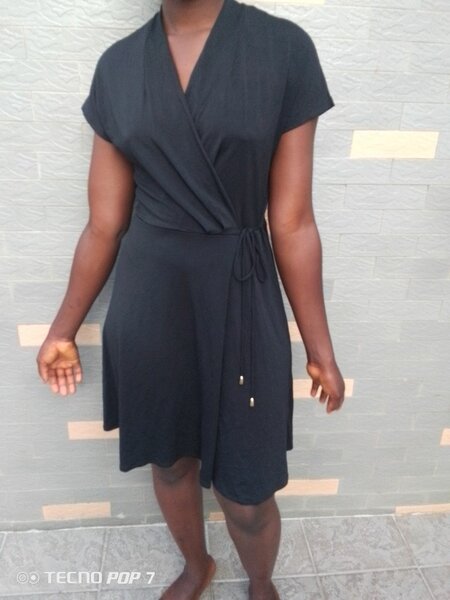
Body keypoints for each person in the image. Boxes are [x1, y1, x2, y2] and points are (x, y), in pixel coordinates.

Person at [36, 0, 345, 598]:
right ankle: (196, 565)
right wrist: (61, 330)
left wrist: (319, 349)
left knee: (247, 491)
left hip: (239, 291)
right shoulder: (119, 67)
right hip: (151, 300)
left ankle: (260, 583)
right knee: (172, 460)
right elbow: (104, 223)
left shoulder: (282, 50)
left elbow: (293, 221)